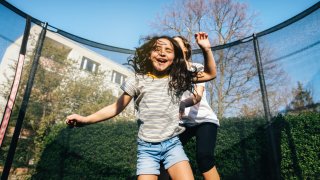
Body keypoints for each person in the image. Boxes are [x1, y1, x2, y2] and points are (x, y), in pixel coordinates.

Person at [66, 32, 216, 180]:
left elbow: (210, 74)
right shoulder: (136, 81)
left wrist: (206, 49)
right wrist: (85, 120)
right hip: (147, 149)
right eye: (158, 49)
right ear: (149, 54)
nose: (162, 53)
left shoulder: (177, 79)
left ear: (175, 58)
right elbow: (115, 108)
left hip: (172, 145)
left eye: (168, 50)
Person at [175, 35, 220, 180]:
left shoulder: (196, 68)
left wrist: (183, 104)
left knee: (204, 157)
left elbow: (197, 96)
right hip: (183, 123)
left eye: (176, 43)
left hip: (204, 120)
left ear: (185, 49)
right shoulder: (168, 74)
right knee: (165, 157)